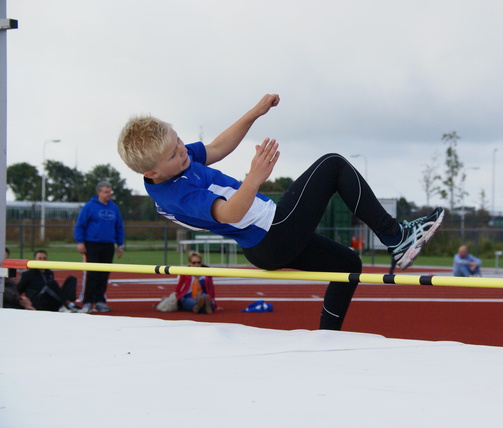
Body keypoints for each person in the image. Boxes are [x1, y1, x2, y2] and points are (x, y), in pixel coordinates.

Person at [117, 94, 445, 330]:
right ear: (152, 173)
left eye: (180, 143)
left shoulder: (176, 163)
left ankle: (326, 340)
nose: (183, 152)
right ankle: (397, 237)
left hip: (269, 238)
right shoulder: (176, 193)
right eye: (174, 154)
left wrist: (254, 113)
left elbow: (216, 147)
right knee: (333, 165)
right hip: (272, 233)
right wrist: (255, 177)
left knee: (347, 264)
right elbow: (230, 213)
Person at [74, 181, 125, 313]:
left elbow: (119, 226)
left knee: (104, 274)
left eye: (110, 192)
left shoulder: (114, 208)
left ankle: (100, 301)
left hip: (108, 245)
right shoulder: (89, 207)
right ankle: (87, 302)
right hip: (92, 244)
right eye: (106, 192)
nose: (109, 194)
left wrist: (120, 244)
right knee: (91, 274)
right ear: (99, 192)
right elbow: (80, 225)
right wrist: (80, 242)